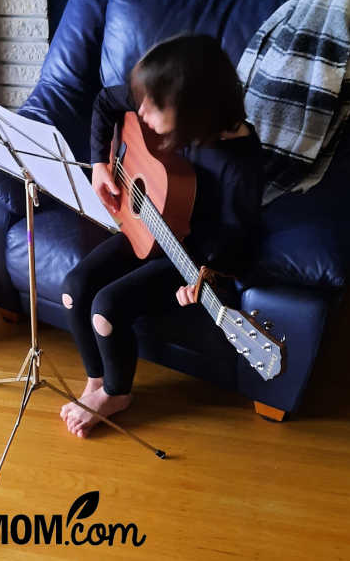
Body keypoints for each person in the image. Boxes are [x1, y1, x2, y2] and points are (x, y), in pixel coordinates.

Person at [60, 34, 264, 438]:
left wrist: (205, 275)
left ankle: (118, 393)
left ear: (194, 112)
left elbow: (234, 241)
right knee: (73, 288)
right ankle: (96, 382)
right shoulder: (158, 99)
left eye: (154, 107)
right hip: (147, 225)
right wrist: (101, 163)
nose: (143, 111)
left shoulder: (241, 165)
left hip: (185, 249)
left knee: (106, 307)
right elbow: (105, 101)